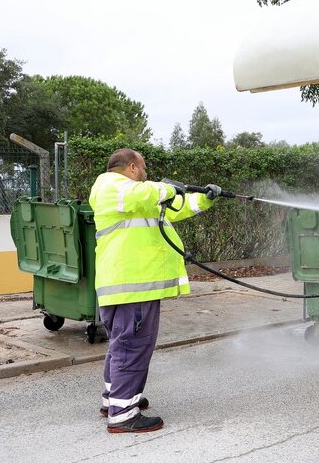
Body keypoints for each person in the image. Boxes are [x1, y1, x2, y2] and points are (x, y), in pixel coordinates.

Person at [89, 148, 221, 433]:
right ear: (133, 167)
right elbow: (150, 193)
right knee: (132, 345)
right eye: (144, 168)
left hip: (129, 286)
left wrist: (205, 199)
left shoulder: (136, 196)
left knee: (122, 345)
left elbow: (174, 207)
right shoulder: (111, 186)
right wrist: (164, 188)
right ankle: (123, 414)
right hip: (130, 286)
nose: (146, 173)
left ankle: (114, 397)